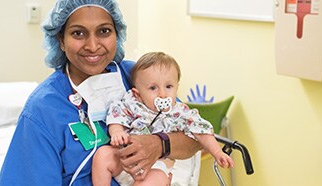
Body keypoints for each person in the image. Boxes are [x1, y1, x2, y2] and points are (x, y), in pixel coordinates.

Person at [0, 0, 201, 185]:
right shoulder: (44, 108)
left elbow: (193, 137)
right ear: (60, 39)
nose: (93, 46)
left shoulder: (135, 76)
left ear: (116, 34)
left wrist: (159, 145)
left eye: (104, 31)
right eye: (78, 33)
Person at [92, 52, 234, 186]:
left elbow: (202, 131)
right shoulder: (133, 103)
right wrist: (117, 132)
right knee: (103, 155)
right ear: (138, 93)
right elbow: (116, 115)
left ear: (176, 88)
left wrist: (217, 152)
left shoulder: (180, 112)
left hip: (156, 167)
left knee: (155, 179)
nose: (162, 94)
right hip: (126, 160)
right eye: (153, 88)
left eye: (168, 86)